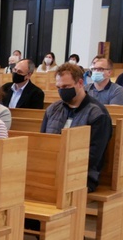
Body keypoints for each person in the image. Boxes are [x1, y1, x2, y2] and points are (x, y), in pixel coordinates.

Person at [41, 62, 112, 194]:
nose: (62, 91)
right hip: (51, 170)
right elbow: (43, 143)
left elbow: (94, 156)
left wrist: (62, 168)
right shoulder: (52, 109)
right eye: (59, 87)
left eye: (66, 86)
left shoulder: (97, 114)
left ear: (80, 83)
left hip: (82, 175)